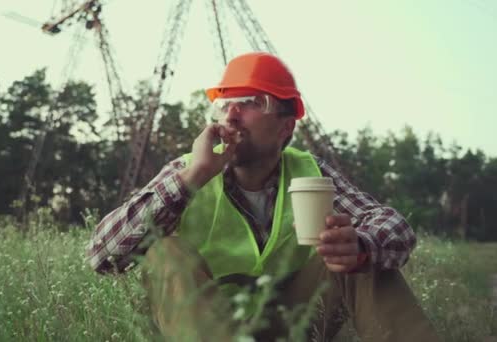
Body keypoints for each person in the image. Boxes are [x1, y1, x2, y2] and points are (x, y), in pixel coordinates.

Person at [86, 52, 440, 341]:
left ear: (287, 125)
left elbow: (394, 227)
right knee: (166, 252)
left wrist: (360, 245)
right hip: (214, 325)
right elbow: (102, 255)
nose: (232, 114)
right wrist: (193, 177)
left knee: (359, 253)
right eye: (226, 103)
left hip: (295, 322)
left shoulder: (310, 171)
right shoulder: (189, 170)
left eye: (251, 102)